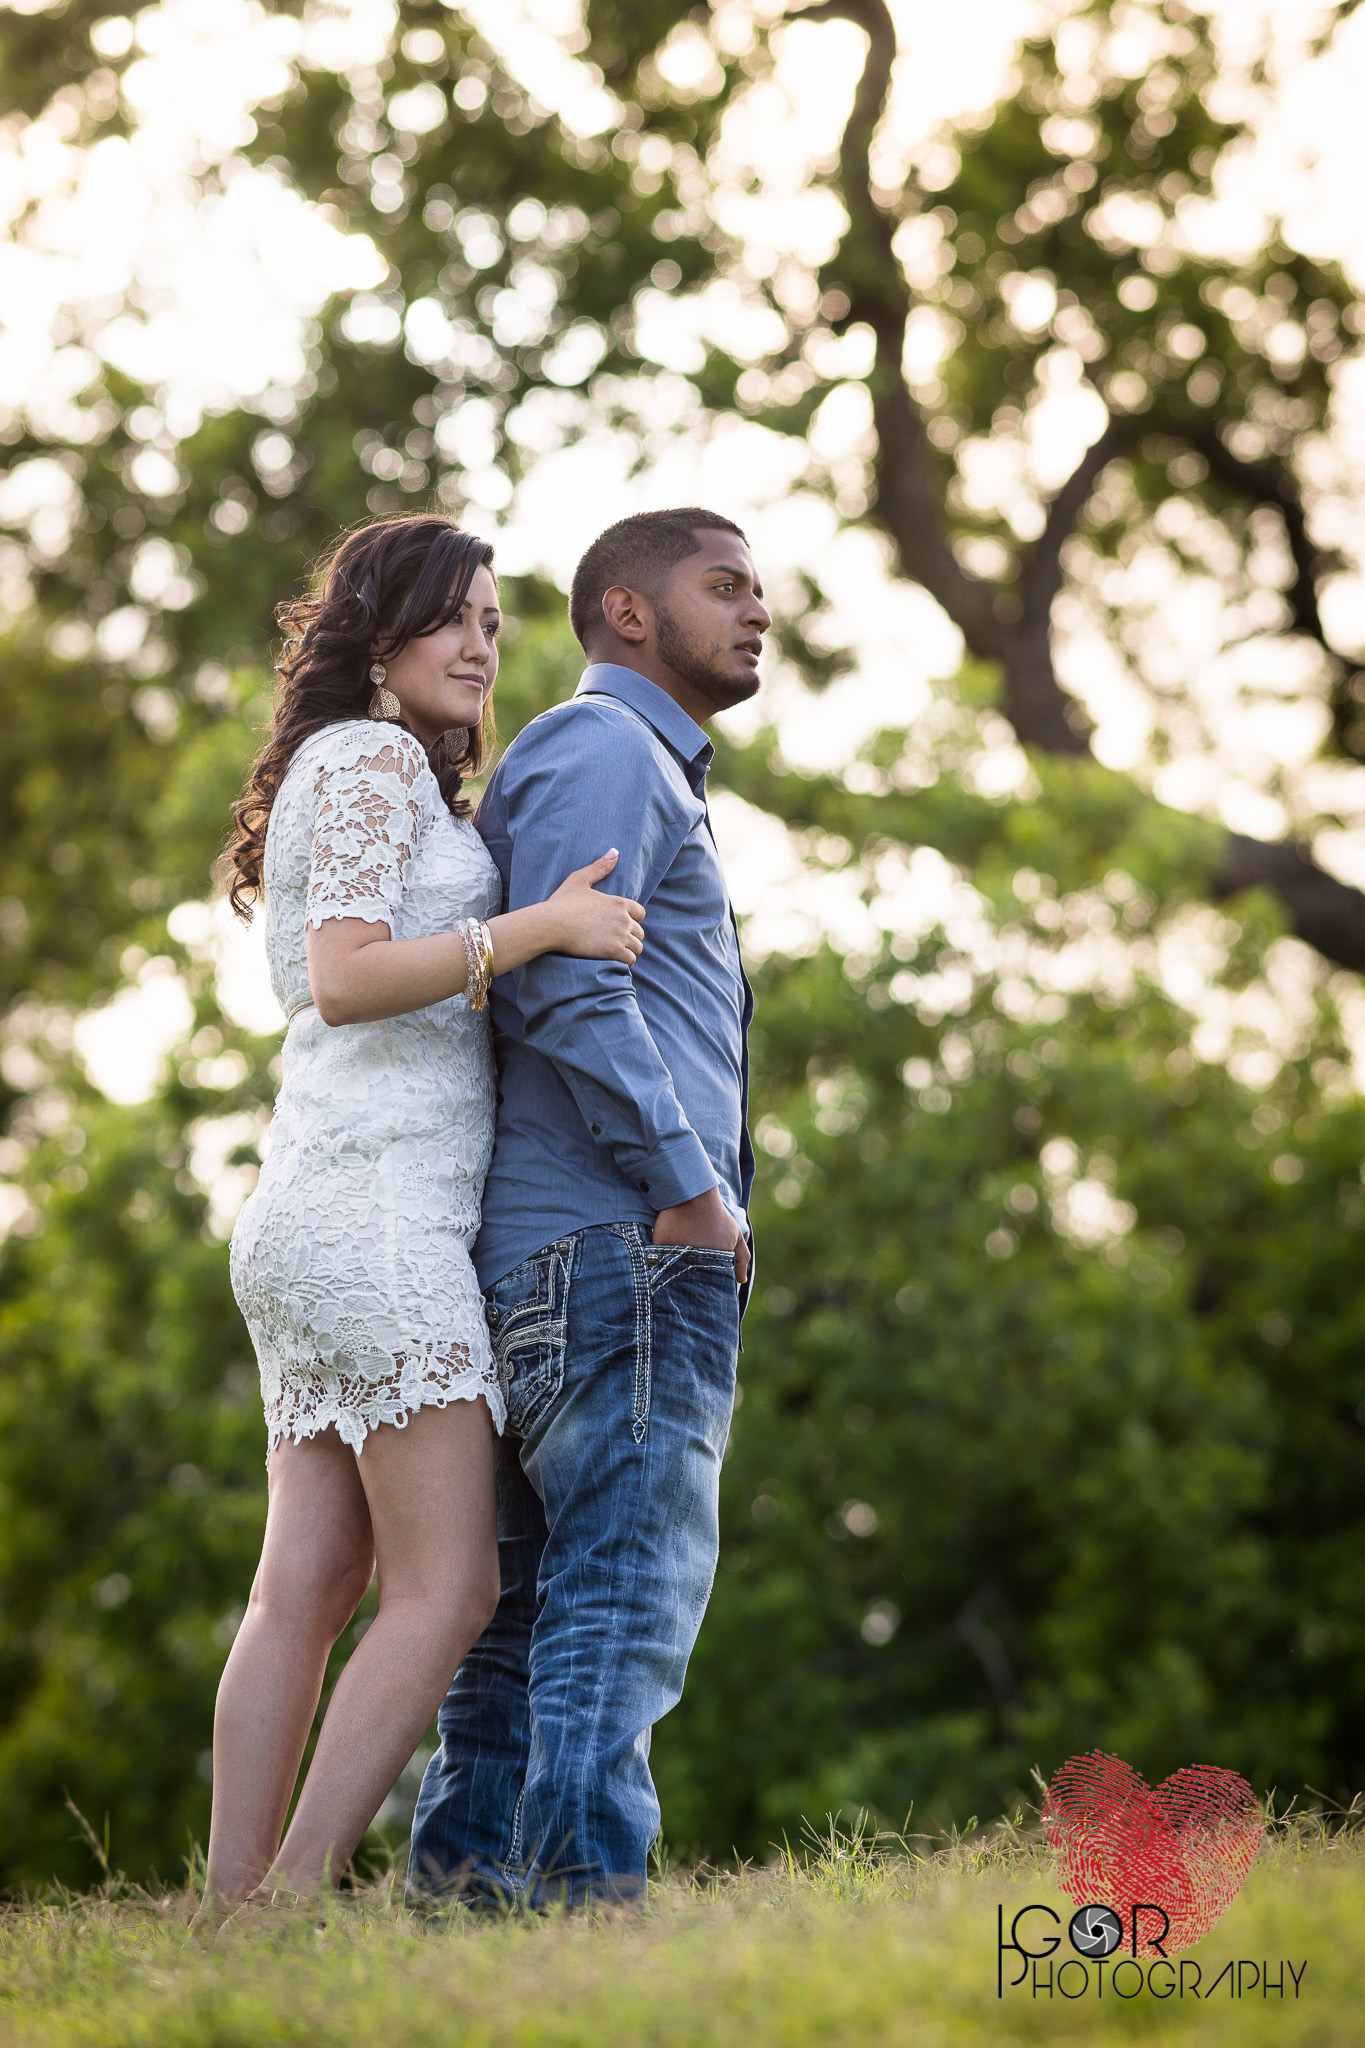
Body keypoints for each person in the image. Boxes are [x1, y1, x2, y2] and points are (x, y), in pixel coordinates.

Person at [198, 514, 644, 1927]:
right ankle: (288, 1898)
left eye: (495, 624)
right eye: (450, 617)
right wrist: (537, 931)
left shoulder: (356, 774)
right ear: (376, 638)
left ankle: (224, 1910)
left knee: (308, 1586)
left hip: (309, 1214)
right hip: (377, 1218)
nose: (479, 646)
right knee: (445, 1586)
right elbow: (344, 978)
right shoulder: (377, 760)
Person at [409, 506, 770, 1908]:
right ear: (627, 611)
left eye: (758, 593)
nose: (754, 613)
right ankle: (577, 1909)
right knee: (621, 1599)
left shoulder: (632, 765)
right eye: (722, 585)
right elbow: (565, 981)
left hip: (580, 1251)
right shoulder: (600, 746)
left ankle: (468, 1910)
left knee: (522, 1618)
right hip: (615, 1249)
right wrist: (692, 1189)